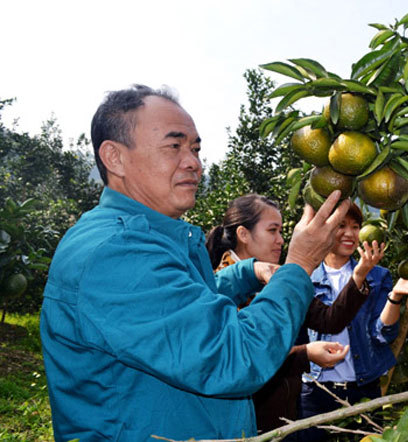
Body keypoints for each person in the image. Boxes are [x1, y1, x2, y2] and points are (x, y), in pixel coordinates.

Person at [39, 84, 350, 441]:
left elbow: (178, 309)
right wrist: (299, 265)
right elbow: (233, 356)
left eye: (195, 148)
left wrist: (247, 271)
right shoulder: (117, 254)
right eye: (174, 146)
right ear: (114, 157)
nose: (194, 163)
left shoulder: (151, 239)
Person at [205, 195, 385, 433]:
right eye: (272, 231)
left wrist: (359, 275)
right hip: (245, 423)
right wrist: (305, 354)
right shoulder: (216, 288)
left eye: (281, 231)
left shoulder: (277, 278)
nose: (281, 240)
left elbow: (328, 319)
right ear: (243, 234)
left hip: (284, 416)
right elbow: (242, 355)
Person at [297, 204, 408, 442]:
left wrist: (394, 296)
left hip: (362, 388)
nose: (350, 233)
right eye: (341, 226)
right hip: (316, 389)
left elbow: (383, 334)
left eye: (356, 227)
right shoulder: (305, 277)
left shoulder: (378, 276)